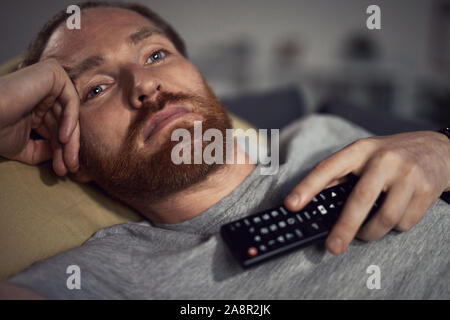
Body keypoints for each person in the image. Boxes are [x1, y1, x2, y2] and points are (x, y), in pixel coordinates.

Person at [0, 1, 448, 299]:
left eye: (156, 56)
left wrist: (443, 147)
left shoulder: (322, 130)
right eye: (96, 88)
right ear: (73, 157)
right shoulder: (102, 278)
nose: (145, 85)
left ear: (197, 74)